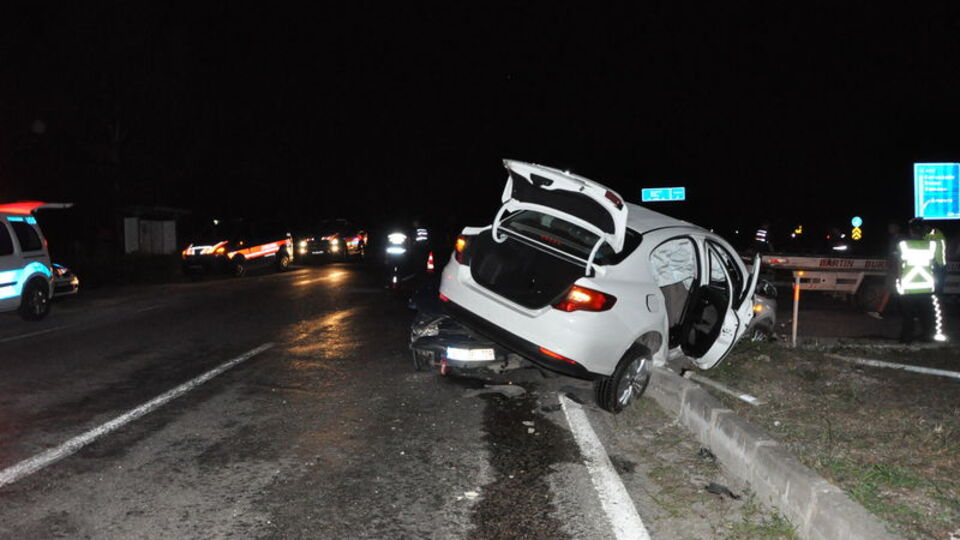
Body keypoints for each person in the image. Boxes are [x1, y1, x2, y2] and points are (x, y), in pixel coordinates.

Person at [896, 220, 941, 343]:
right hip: (926, 287)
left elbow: (899, 265)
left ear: (910, 231)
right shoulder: (931, 245)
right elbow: (934, 264)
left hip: (908, 288)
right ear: (923, 231)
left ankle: (906, 339)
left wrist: (899, 280)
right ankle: (928, 337)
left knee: (908, 316)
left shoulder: (903, 245)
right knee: (926, 315)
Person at [867, 221, 903, 319]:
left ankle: (880, 312)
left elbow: (897, 255)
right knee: (893, 291)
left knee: (888, 289)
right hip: (895, 268)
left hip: (896, 269)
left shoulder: (899, 239)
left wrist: (895, 268)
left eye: (891, 226)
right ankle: (910, 313)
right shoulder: (894, 239)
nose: (889, 228)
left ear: (897, 227)